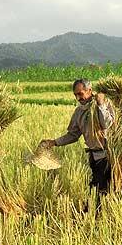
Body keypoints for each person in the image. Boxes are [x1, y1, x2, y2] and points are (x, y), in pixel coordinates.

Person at [40, 78, 115, 211]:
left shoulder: (105, 104)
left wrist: (101, 104)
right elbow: (73, 135)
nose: (78, 98)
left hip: (110, 154)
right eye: (75, 95)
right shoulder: (79, 112)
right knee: (99, 186)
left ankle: (93, 213)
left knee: (101, 187)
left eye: (80, 94)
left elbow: (106, 124)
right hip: (94, 155)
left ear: (90, 91)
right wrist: (54, 142)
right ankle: (95, 213)